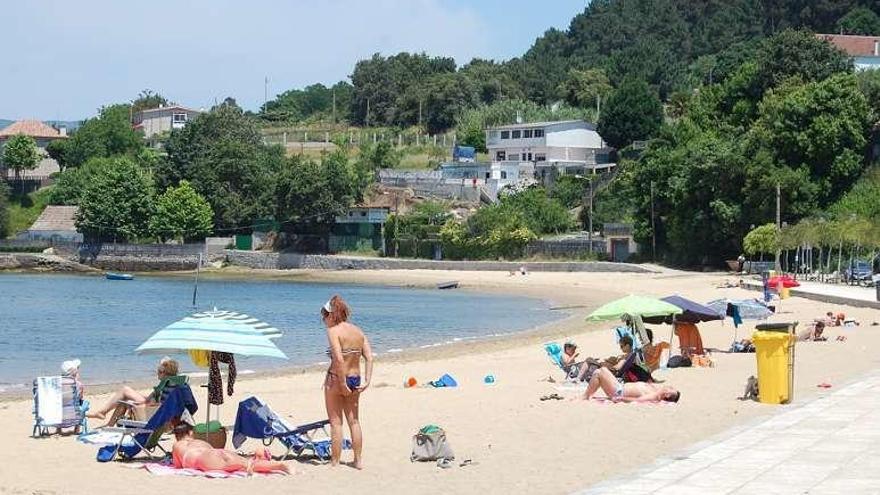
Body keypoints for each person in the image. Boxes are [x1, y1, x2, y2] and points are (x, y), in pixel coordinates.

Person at [322, 295, 373, 469]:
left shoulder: (333, 331)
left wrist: (342, 383)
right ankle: (358, 461)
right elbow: (369, 357)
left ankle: (335, 461)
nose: (323, 320)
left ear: (331, 315)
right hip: (355, 378)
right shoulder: (358, 331)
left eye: (324, 315)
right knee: (354, 421)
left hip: (337, 379)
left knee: (336, 422)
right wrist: (367, 380)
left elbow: (338, 358)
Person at [171, 416, 291, 474]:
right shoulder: (200, 442)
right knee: (246, 462)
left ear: (177, 436)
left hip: (203, 459)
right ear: (190, 432)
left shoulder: (177, 445)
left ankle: (279, 465)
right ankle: (269, 461)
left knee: (246, 466)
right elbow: (213, 450)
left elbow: (177, 465)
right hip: (216, 452)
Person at [86, 357, 180, 426]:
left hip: (152, 411)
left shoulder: (166, 384)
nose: (157, 372)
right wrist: (147, 399)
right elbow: (157, 399)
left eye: (159, 371)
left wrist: (144, 402)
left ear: (165, 373)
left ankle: (103, 414)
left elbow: (157, 403)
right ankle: (108, 422)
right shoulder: (173, 383)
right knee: (125, 397)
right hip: (154, 407)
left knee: (125, 391)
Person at [581, 367, 680, 403]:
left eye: (670, 389)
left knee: (601, 371)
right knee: (600, 371)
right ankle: (587, 395)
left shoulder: (654, 395)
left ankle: (585, 396)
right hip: (620, 386)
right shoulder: (655, 389)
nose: (669, 387)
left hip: (618, 391)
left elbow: (638, 400)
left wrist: (621, 398)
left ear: (667, 395)